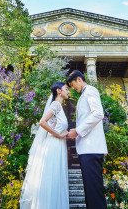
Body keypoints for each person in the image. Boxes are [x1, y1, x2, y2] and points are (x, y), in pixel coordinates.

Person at [20, 82, 70, 209]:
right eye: (66, 89)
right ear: (59, 91)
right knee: (51, 180)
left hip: (58, 145)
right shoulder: (56, 104)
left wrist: (65, 134)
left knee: (55, 180)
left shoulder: (59, 106)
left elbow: (55, 125)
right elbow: (42, 122)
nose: (68, 91)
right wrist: (58, 134)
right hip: (53, 145)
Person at [66, 70, 108, 209]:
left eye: (73, 85)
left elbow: (98, 114)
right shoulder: (83, 95)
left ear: (79, 79)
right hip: (86, 149)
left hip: (92, 148)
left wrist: (77, 131)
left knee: (94, 191)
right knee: (90, 191)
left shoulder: (90, 91)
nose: (73, 88)